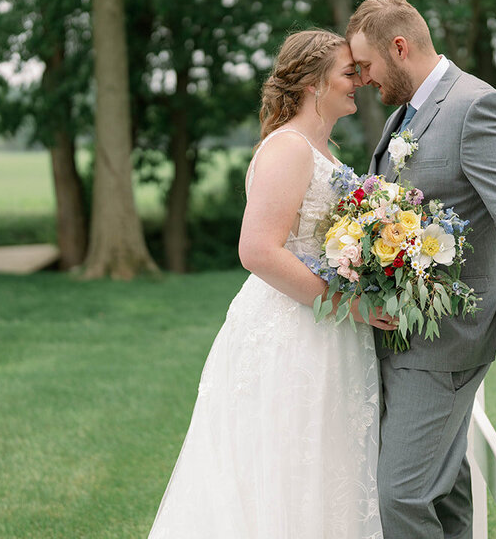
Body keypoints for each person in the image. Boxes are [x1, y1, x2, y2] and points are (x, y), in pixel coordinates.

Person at [147, 29, 392, 539]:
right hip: (292, 332)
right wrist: (351, 305)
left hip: (327, 330)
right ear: (311, 83)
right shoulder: (289, 148)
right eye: (349, 73)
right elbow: (257, 250)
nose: (359, 82)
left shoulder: (321, 151)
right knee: (286, 466)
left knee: (328, 469)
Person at [347, 0, 496, 539]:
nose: (363, 78)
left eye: (366, 66)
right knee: (445, 495)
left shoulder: (477, 106)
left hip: (446, 343)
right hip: (403, 337)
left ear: (400, 47)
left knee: (402, 496)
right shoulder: (403, 115)